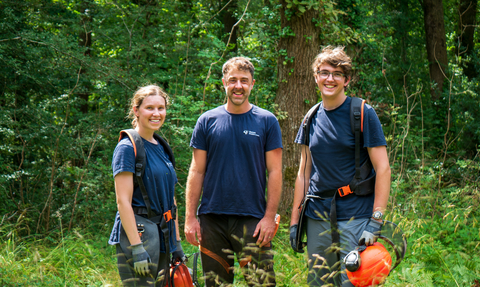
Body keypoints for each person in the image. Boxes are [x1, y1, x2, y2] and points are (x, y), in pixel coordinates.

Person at [289, 46, 391, 286]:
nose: (330, 79)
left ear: (346, 80)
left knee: (353, 282)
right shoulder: (310, 117)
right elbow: (303, 174)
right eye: (324, 73)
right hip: (316, 218)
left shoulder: (362, 113)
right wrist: (295, 223)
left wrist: (376, 220)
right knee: (320, 282)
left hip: (356, 217)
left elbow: (383, 168)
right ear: (316, 77)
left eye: (337, 74)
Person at [184, 57, 283, 286]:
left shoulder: (267, 121)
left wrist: (269, 218)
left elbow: (275, 171)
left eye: (244, 81)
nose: (238, 85)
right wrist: (190, 218)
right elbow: (196, 171)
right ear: (224, 83)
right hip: (212, 219)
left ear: (252, 84)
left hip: (253, 220)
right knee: (216, 284)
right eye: (233, 80)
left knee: (262, 283)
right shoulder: (207, 121)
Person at [108, 85, 185, 286]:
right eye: (150, 108)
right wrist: (136, 247)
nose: (156, 113)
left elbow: (171, 200)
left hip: (164, 237)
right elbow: (122, 201)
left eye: (161, 108)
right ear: (136, 110)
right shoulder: (127, 148)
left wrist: (176, 242)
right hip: (141, 239)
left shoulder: (162, 147)